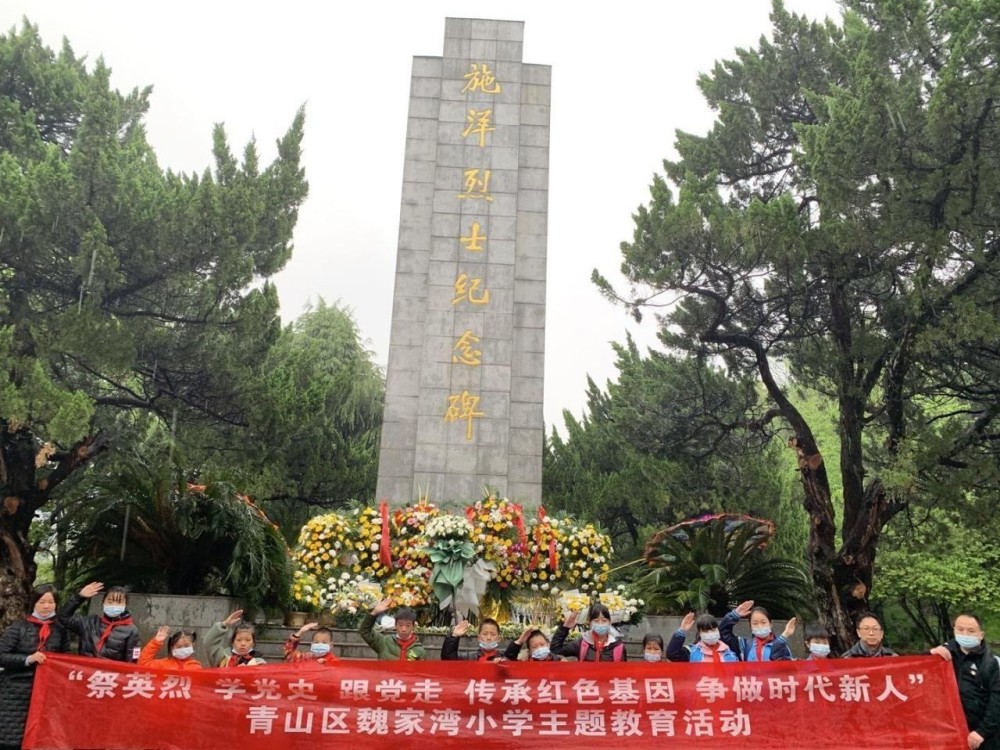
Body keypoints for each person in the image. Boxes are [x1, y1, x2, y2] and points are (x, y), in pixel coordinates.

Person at [0, 584, 69, 750]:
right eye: (41, 602)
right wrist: (28, 659)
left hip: (46, 692)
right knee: (12, 739)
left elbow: (66, 658)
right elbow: (1, 656)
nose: (46, 606)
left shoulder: (60, 630)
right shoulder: (19, 627)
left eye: (51, 602)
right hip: (15, 692)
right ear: (33, 603)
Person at [930, 613, 1000, 750]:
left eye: (971, 631)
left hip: (982, 735)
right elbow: (916, 674)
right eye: (960, 629)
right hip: (949, 732)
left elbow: (997, 700)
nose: (965, 634)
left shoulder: (991, 662)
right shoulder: (942, 655)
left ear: (981, 635)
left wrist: (982, 732)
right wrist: (930, 654)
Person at [57, 581, 139, 662]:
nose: (114, 605)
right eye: (110, 601)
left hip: (110, 674)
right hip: (85, 671)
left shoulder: (131, 630)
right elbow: (63, 617)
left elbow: (132, 661)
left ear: (125, 605)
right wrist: (79, 597)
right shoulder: (89, 623)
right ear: (103, 602)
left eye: (119, 602)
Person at [549, 604, 628, 662]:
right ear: (590, 623)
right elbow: (555, 650)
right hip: (588, 683)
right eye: (596, 621)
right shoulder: (583, 643)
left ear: (610, 622)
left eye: (604, 620)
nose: (600, 624)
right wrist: (565, 628)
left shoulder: (618, 646)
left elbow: (623, 672)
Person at [720, 600, 794, 661]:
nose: (760, 626)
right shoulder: (744, 645)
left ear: (770, 624)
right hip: (751, 679)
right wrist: (734, 615)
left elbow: (787, 668)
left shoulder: (782, 645)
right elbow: (723, 633)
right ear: (750, 626)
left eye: (763, 622)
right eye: (755, 623)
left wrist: (784, 637)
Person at [359, 598, 427, 661]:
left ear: (413, 626)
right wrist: (374, 613)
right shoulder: (384, 642)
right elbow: (365, 631)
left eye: (408, 625)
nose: (404, 629)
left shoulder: (420, 651)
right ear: (395, 625)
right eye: (400, 625)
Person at [667, 612, 739, 663]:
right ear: (700, 634)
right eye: (705, 631)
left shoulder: (729, 651)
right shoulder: (691, 652)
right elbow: (672, 654)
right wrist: (681, 631)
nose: (710, 633)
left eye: (713, 630)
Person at [138, 625, 203, 669]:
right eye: (179, 647)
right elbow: (143, 664)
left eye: (186, 646)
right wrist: (156, 642)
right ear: (172, 648)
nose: (183, 649)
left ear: (193, 645)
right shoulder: (164, 664)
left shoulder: (196, 667)